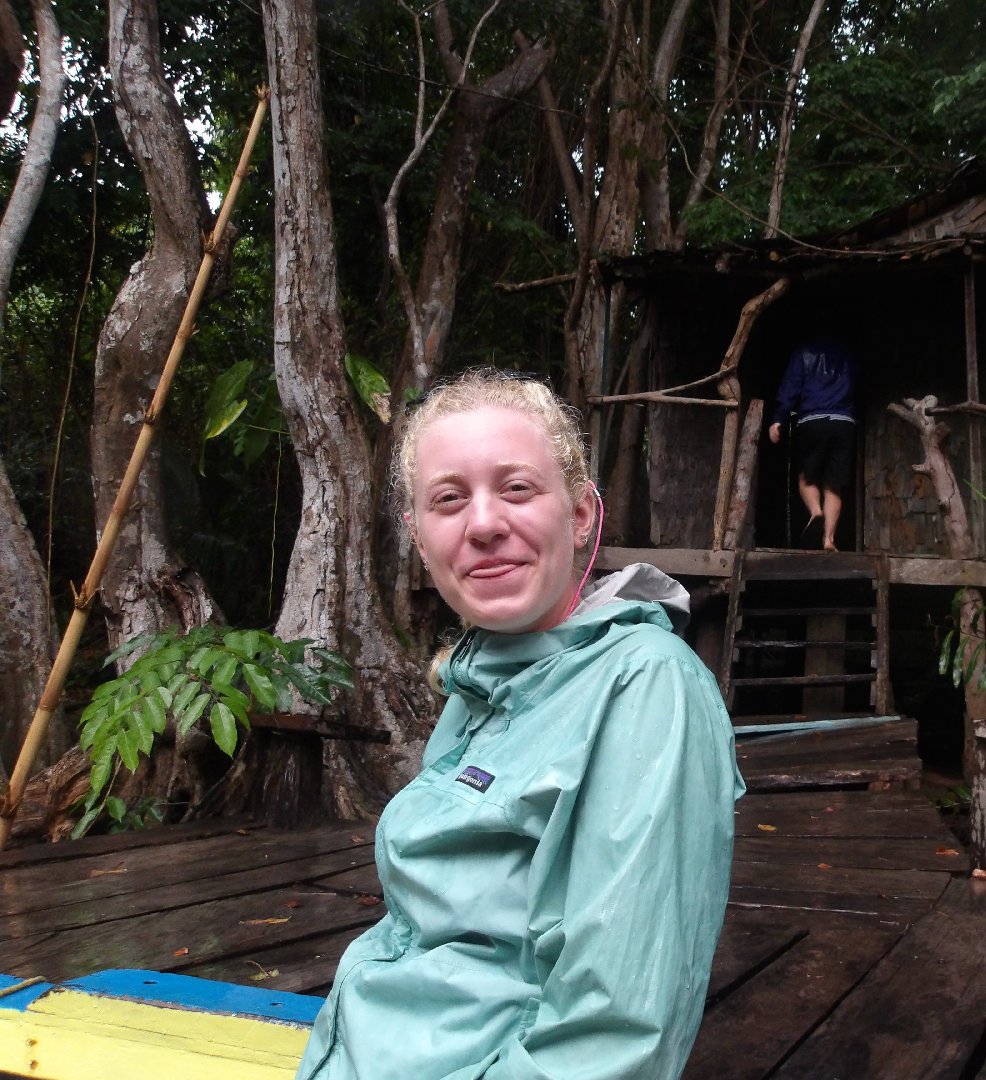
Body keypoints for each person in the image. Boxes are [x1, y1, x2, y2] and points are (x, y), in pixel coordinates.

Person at [295, 369, 744, 1080]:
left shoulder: (645, 683)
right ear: (419, 537)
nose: (483, 524)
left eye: (517, 488)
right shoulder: (483, 679)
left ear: (581, 513)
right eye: (449, 499)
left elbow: (615, 1038)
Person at [768, 334, 856, 551]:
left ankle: (816, 511)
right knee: (833, 484)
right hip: (843, 422)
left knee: (806, 477)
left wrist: (779, 418)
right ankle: (828, 540)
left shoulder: (802, 352)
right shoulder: (848, 353)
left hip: (812, 421)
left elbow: (791, 387)